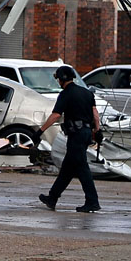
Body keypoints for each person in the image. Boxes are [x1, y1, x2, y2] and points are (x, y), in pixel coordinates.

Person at [37, 65, 101, 213]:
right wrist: (97, 131)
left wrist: (40, 130)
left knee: (82, 168)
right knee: (67, 168)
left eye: (59, 79)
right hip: (85, 133)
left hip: (76, 135)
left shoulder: (66, 94)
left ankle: (92, 201)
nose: (58, 82)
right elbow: (95, 115)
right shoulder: (86, 93)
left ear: (62, 79)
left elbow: (56, 115)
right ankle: (52, 198)